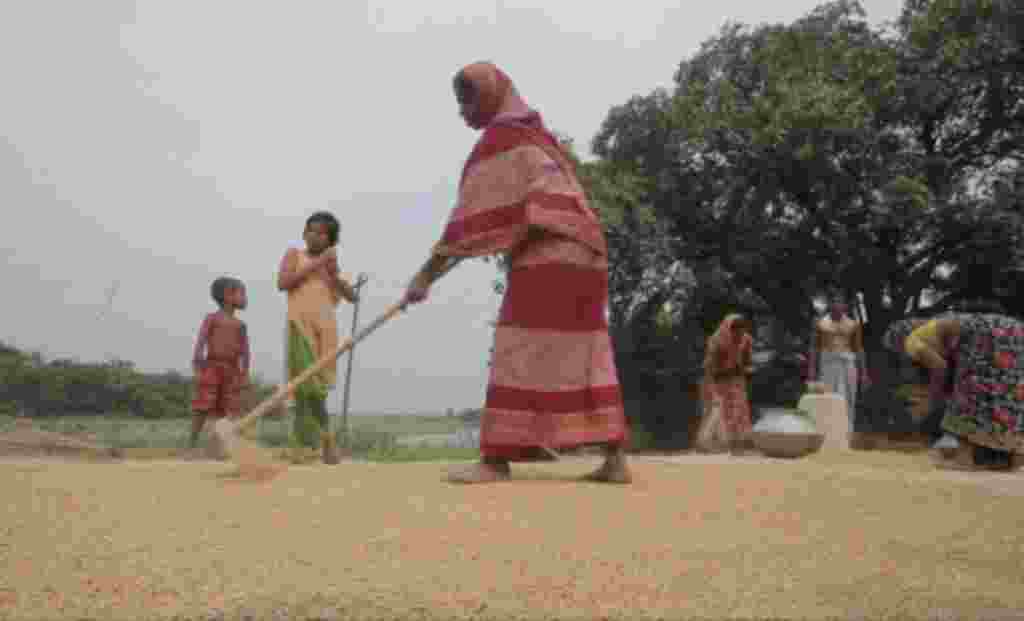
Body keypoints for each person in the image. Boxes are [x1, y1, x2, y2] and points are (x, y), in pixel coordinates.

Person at [403, 61, 631, 484]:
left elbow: (467, 221)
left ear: (490, 95)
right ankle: (615, 460)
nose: (462, 112)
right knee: (587, 349)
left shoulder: (501, 139)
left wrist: (423, 278)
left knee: (518, 347)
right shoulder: (539, 138)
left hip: (550, 252)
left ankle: (495, 460)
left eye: (466, 100)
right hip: (588, 252)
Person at [883, 313, 1024, 470]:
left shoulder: (912, 340)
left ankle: (964, 458)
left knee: (969, 397)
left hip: (984, 335)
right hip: (1014, 331)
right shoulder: (941, 325)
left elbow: (939, 368)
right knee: (1010, 393)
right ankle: (1013, 460)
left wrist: (931, 403)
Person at [277, 211, 358, 461]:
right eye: (311, 230)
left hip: (325, 332)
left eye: (322, 233)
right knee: (304, 387)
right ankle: (319, 443)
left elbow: (350, 297)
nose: (315, 236)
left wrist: (333, 274)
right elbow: (283, 283)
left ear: (331, 240)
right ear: (304, 233)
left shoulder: (330, 266)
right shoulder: (295, 255)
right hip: (299, 327)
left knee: (318, 389)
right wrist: (316, 263)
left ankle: (313, 446)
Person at [190, 277, 250, 449]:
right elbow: (201, 339)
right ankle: (191, 443)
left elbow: (245, 352)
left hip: (232, 371)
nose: (245, 298)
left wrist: (244, 373)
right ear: (228, 296)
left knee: (229, 409)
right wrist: (197, 362)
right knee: (203, 404)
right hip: (211, 367)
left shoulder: (240, 325)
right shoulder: (212, 319)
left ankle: (220, 446)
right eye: (242, 293)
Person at [807, 297, 870, 432]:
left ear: (845, 305)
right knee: (828, 397)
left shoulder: (853, 324)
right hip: (828, 364)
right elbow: (814, 347)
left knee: (848, 398)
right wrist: (811, 370)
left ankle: (847, 430)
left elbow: (859, 349)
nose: (837, 305)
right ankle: (828, 430)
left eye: (841, 302)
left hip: (848, 364)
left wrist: (864, 373)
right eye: (834, 302)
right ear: (830, 304)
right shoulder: (820, 323)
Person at [696, 314, 755, 455]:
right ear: (729, 330)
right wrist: (726, 370)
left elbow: (747, 363)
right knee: (716, 412)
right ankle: (706, 443)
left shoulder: (746, 340)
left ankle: (736, 444)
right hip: (715, 381)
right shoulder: (718, 341)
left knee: (738, 412)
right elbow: (710, 367)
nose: (739, 336)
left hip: (736, 381)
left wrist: (744, 369)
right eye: (736, 332)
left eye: (741, 332)